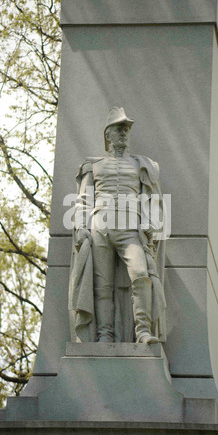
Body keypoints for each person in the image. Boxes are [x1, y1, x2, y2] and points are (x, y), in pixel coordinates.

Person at [69, 107, 167, 344]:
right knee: (103, 287)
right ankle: (104, 335)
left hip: (129, 227)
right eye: (118, 129)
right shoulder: (94, 166)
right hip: (100, 226)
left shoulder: (141, 165)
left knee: (141, 276)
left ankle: (143, 330)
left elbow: (150, 197)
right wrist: (81, 227)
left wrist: (150, 224)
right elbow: (84, 200)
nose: (123, 133)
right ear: (108, 135)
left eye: (126, 129)